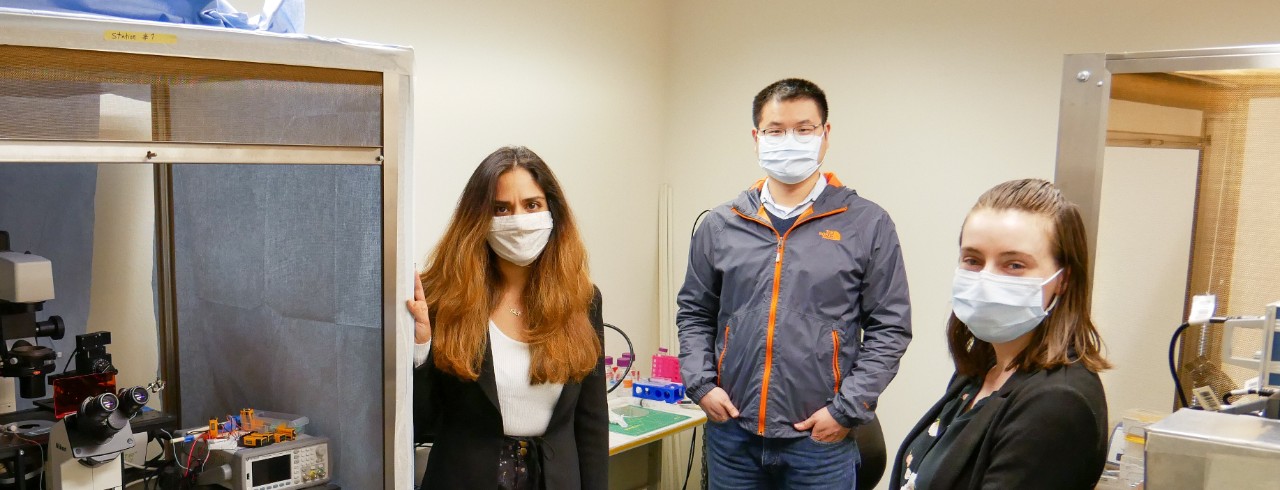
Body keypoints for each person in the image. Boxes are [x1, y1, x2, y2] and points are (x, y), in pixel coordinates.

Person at [677, 78, 913, 489]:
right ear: (756, 137)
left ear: (825, 135)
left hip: (819, 442)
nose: (790, 140)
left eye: (804, 129)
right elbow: (695, 312)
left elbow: (889, 328)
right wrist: (700, 384)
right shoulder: (721, 224)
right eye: (775, 130)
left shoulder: (866, 224)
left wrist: (847, 409)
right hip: (733, 434)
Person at [406, 146, 607, 490]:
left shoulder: (582, 300)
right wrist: (420, 349)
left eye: (532, 205)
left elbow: (591, 424)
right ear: (478, 219)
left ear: (552, 212)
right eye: (501, 209)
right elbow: (418, 425)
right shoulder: (441, 299)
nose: (518, 220)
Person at [890, 179, 1110, 490]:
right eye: (973, 260)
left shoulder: (1057, 403)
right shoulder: (982, 373)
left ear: (1063, 280)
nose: (985, 280)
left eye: (1014, 265)